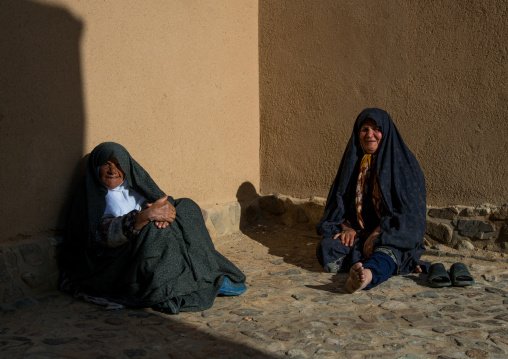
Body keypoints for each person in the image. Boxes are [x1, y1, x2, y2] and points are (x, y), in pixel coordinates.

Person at [60, 142, 246, 313]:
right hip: (112, 263)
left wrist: (167, 211)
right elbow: (99, 236)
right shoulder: (88, 197)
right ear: (95, 168)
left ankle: (206, 272)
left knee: (186, 208)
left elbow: (159, 201)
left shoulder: (132, 187)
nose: (112, 170)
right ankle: (177, 285)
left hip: (142, 244)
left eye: (118, 164)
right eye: (106, 164)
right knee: (154, 231)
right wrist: (143, 218)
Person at [316, 108, 428, 293]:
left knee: (388, 247)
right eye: (364, 129)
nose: (370, 135)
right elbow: (339, 205)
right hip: (361, 233)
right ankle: (387, 262)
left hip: (391, 231)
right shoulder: (353, 164)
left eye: (376, 129)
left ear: (386, 131)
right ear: (357, 133)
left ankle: (367, 275)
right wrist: (347, 228)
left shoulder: (404, 165)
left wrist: (379, 231)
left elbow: (410, 214)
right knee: (329, 247)